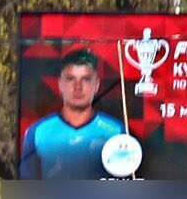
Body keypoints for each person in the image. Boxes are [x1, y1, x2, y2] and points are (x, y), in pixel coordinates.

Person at [19, 45, 130, 178]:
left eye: (86, 79)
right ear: (60, 84)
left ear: (97, 85)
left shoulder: (116, 131)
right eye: (71, 79)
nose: (78, 87)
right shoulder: (38, 132)